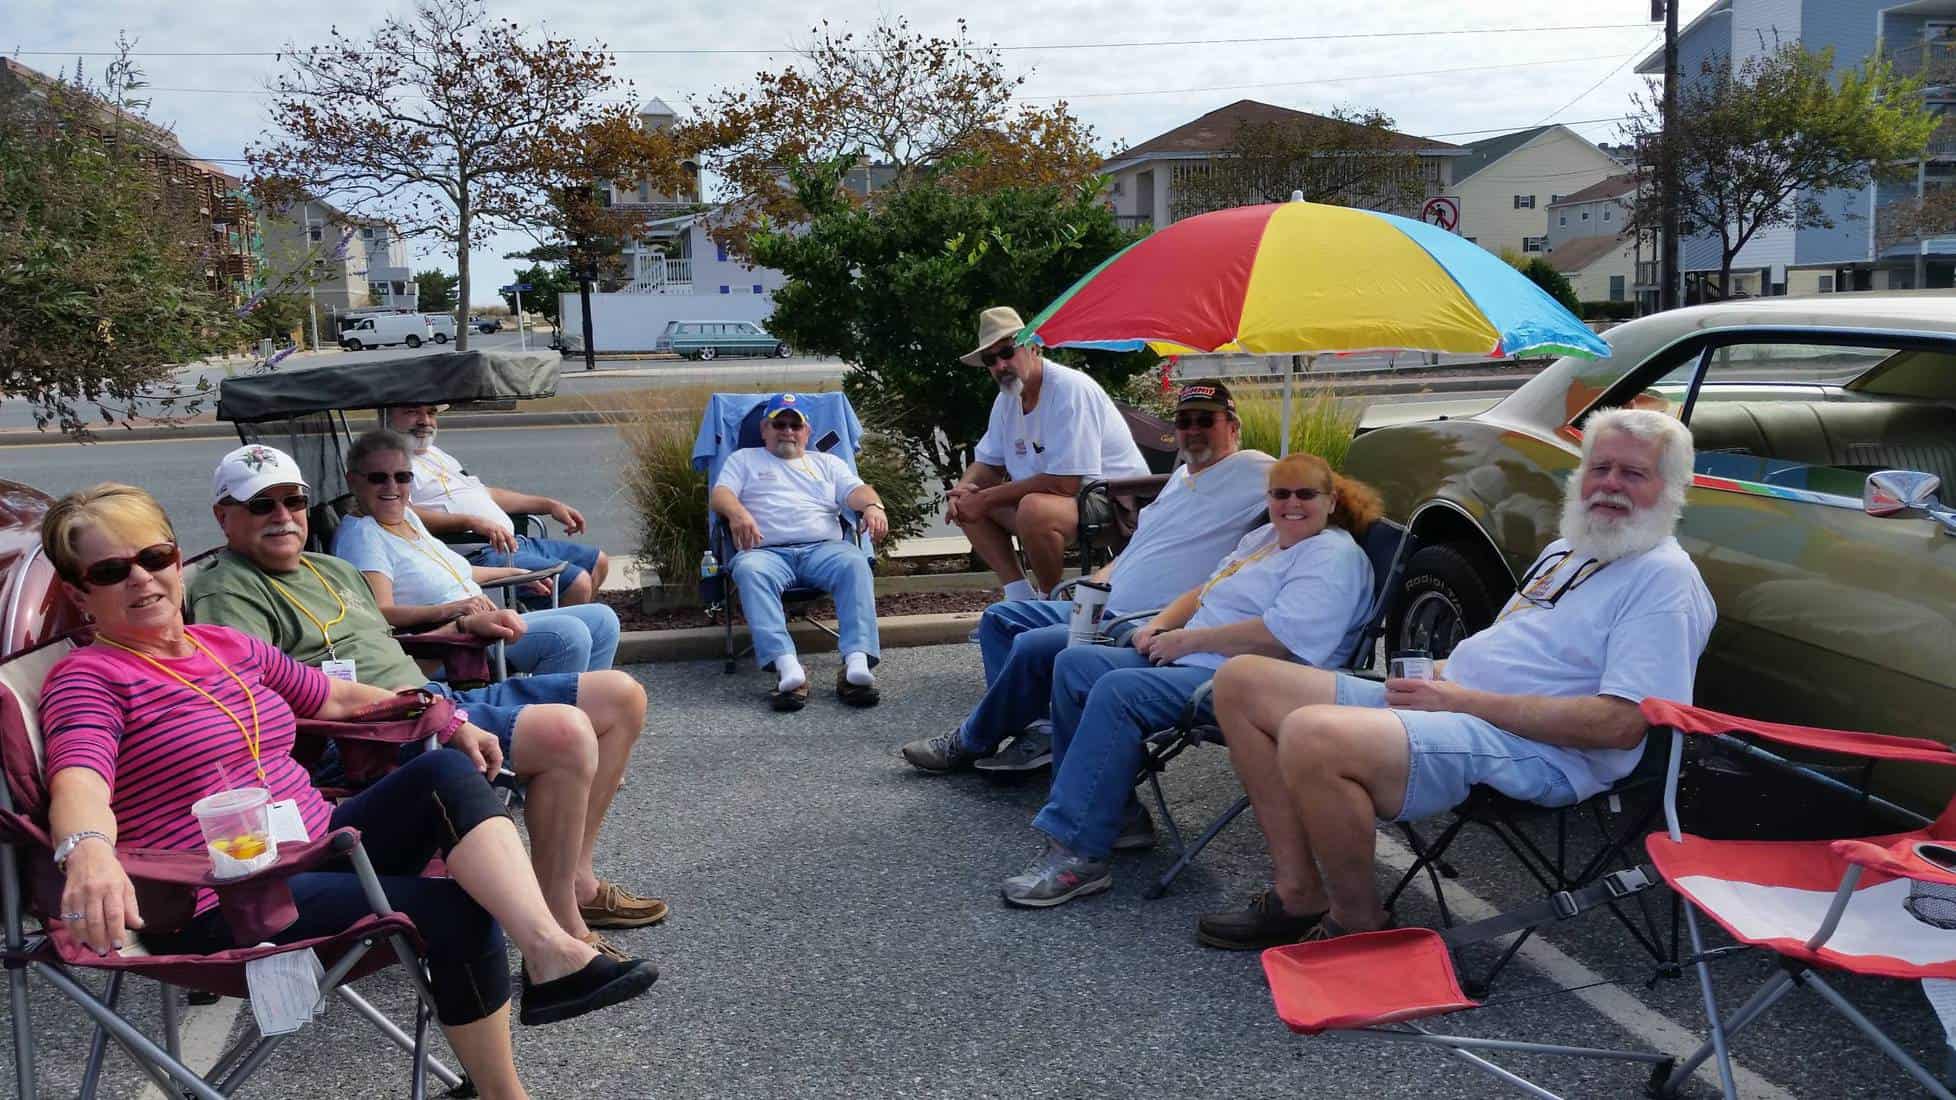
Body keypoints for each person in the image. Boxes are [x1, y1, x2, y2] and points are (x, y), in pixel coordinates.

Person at [37, 484, 655, 1100]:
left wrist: (446, 715)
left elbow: (333, 696)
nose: (142, 580)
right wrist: (89, 851)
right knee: (454, 907)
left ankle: (548, 951)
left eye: (155, 557)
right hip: (230, 894)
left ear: (175, 558)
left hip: (316, 849)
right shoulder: (90, 679)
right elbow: (79, 777)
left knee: (442, 772)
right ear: (79, 593)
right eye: (113, 571)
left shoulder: (220, 646)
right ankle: (505, 1089)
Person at [1196, 408, 1716, 949]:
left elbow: (1620, 725)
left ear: (1673, 489)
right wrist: (1441, 677)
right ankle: (1299, 892)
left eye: (1632, 474)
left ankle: (1358, 923)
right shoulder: (1571, 549)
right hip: (1454, 704)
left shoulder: (1664, 583)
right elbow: (1519, 646)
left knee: (1313, 735)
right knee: (1242, 681)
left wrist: (1460, 700)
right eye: (1599, 468)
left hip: (1542, 752)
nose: (1609, 485)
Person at [185, 444, 666, 941]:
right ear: (224, 517)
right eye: (262, 505)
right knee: (565, 732)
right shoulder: (229, 592)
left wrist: (464, 622)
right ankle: (562, 920)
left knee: (621, 697)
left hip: (433, 699)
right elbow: (253, 700)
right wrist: (416, 706)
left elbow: (389, 643)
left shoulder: (330, 570)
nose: (283, 517)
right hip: (370, 733)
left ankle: (576, 881)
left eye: (294, 502)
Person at [998, 452, 1382, 908]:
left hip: (1255, 684)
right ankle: (1115, 813)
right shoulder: (1266, 537)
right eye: (1281, 493)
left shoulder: (1331, 556)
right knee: (1075, 663)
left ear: (1332, 501)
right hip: (1195, 659)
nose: (1291, 504)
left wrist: (1186, 641)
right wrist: (1162, 626)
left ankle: (1078, 853)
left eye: (1305, 494)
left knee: (1118, 692)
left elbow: (1280, 638)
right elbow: (1204, 590)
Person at [901, 380, 1274, 774]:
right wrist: (1097, 580)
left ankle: (970, 741)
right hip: (1103, 602)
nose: (1193, 429)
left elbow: (1317, 488)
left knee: (1032, 646)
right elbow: (1137, 550)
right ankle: (1037, 731)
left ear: (1233, 427)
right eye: (1184, 421)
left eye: (1206, 420)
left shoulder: (1255, 469)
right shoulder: (1180, 481)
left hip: (1145, 619)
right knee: (1000, 618)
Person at [331, 429, 621, 677]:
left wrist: (516, 574)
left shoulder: (405, 517)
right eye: (378, 478)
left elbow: (452, 571)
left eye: (403, 476)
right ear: (353, 480)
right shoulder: (363, 537)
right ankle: (548, 728)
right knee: (568, 635)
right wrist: (454, 609)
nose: (392, 487)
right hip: (445, 642)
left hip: (479, 622)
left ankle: (584, 721)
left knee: (603, 620)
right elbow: (380, 612)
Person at [946, 306, 1150, 599]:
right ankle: (1019, 597)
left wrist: (985, 497)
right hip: (1063, 500)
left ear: (1033, 347)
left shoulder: (1069, 389)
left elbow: (1065, 483)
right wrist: (964, 490)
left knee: (1033, 509)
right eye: (991, 359)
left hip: (1115, 500)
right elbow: (987, 463)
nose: (1000, 365)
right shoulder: (1006, 400)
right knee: (966, 505)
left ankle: (1049, 602)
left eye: (1007, 352)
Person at [709, 393, 889, 712]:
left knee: (855, 562)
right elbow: (720, 495)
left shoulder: (828, 463)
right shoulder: (744, 459)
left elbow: (857, 491)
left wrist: (873, 505)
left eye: (796, 424)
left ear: (807, 432)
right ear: (765, 428)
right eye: (780, 423)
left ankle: (856, 664)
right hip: (766, 552)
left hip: (823, 549)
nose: (788, 431)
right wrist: (737, 513)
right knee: (749, 571)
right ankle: (787, 666)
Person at [387, 403, 608, 607]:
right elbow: (402, 513)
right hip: (476, 554)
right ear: (386, 415)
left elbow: (484, 493)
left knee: (598, 562)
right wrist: (470, 522)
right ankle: (548, 643)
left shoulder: (437, 455)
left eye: (431, 412)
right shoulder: (389, 462)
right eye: (412, 412)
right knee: (576, 582)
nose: (425, 420)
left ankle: (560, 628)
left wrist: (549, 505)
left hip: (511, 544)